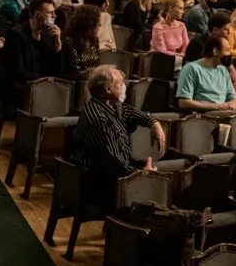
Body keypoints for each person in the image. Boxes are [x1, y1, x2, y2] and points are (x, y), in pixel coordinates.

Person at [73, 65, 170, 207]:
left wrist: (153, 123)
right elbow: (114, 163)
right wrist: (141, 174)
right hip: (97, 182)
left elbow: (132, 112)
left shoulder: (112, 103)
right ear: (108, 89)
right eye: (120, 84)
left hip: (112, 171)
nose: (124, 86)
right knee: (153, 190)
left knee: (161, 177)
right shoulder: (98, 117)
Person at [177, 36, 236, 112]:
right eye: (227, 50)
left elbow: (234, 100)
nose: (230, 54)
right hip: (200, 117)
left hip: (222, 115)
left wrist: (230, 107)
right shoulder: (191, 69)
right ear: (215, 51)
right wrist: (217, 107)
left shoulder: (223, 70)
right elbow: (183, 102)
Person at [60, 3, 102, 81]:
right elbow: (75, 72)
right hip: (77, 84)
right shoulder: (69, 41)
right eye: (98, 22)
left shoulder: (94, 40)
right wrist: (96, 74)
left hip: (92, 82)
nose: (100, 25)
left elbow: (97, 64)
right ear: (89, 24)